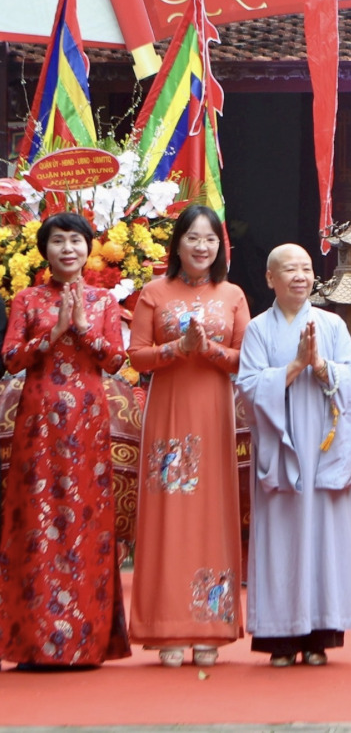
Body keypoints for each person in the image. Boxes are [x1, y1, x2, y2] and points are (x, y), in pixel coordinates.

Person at [0, 212, 130, 669]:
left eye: (76, 241)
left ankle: (86, 642)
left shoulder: (103, 301)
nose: (68, 249)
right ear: (45, 249)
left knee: (85, 519)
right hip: (37, 421)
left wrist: (81, 328)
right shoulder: (27, 299)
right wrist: (51, 334)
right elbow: (11, 359)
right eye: (59, 241)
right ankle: (33, 641)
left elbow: (115, 360)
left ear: (88, 247)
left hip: (88, 421)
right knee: (36, 519)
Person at [127, 204, 249, 668]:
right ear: (177, 243)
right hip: (170, 416)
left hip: (214, 412)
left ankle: (209, 628)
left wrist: (209, 349)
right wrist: (178, 348)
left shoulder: (233, 295)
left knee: (211, 515)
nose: (202, 246)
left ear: (221, 246)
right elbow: (136, 357)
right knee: (169, 517)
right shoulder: (154, 292)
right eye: (193, 238)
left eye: (211, 239)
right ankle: (165, 627)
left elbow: (243, 359)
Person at [236, 244, 351, 667]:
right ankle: (280, 640)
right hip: (282, 448)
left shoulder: (331, 324)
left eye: (307, 269)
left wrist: (323, 367)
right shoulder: (258, 329)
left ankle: (320, 635)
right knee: (281, 538)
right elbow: (248, 389)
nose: (300, 276)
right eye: (289, 269)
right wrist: (294, 367)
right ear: (270, 278)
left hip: (325, 449)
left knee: (325, 537)